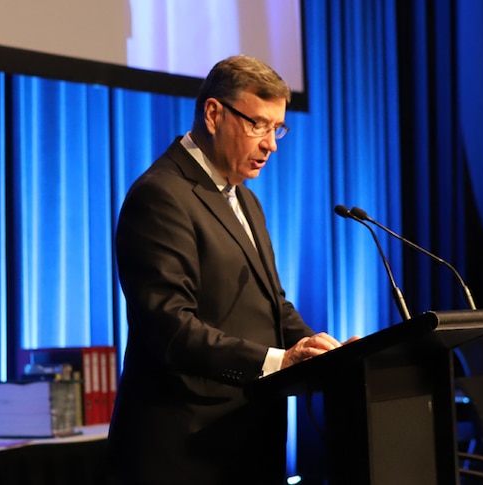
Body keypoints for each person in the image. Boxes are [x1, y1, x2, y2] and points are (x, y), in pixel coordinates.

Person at [108, 55, 352, 484]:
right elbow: (171, 328)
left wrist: (320, 353)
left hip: (248, 444)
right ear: (214, 114)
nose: (271, 143)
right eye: (258, 124)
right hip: (185, 451)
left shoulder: (245, 200)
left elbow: (273, 304)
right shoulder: (161, 195)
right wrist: (277, 362)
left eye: (278, 128)